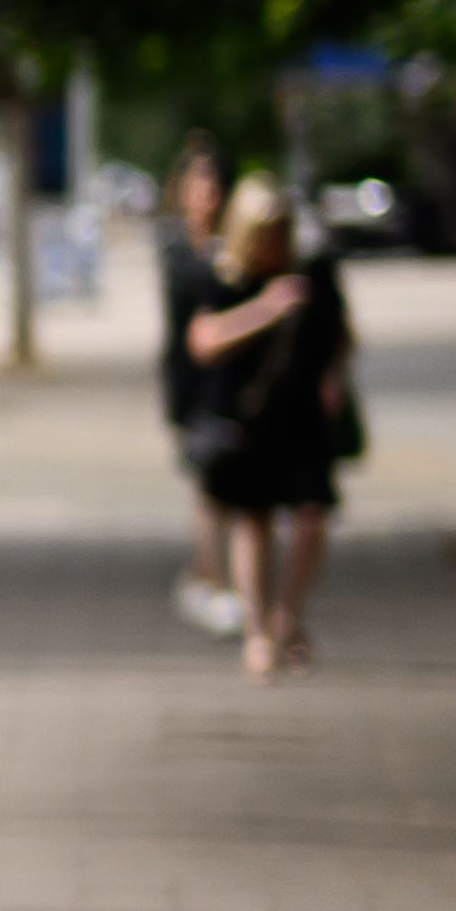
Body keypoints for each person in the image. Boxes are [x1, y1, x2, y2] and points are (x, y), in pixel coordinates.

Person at [181, 177, 350, 676]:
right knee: (253, 522)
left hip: (302, 416)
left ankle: (288, 617)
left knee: (311, 517)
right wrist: (268, 308)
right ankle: (258, 633)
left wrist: (333, 378)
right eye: (266, 233)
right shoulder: (222, 277)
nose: (275, 243)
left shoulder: (314, 273)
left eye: (282, 232)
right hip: (247, 419)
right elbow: (205, 341)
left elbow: (339, 335)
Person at [151, 137, 245, 637]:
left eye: (212, 183)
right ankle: (215, 580)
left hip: (234, 379)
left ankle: (208, 576)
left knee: (230, 487)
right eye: (196, 183)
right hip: (192, 383)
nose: (204, 193)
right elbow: (196, 294)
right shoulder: (175, 246)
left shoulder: (234, 242)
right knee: (209, 485)